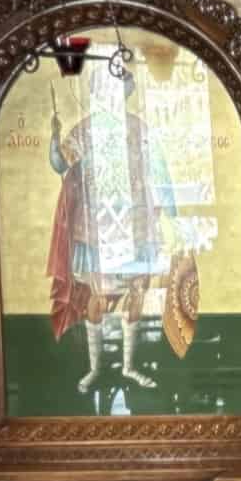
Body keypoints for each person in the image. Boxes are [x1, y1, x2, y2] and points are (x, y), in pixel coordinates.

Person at [46, 61, 180, 391]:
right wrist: (54, 138)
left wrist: (173, 215)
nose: (112, 95)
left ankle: (129, 367)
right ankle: (95, 369)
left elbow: (160, 169)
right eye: (105, 89)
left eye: (118, 89)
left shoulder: (138, 128)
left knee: (136, 293)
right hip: (97, 231)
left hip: (136, 227)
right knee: (96, 298)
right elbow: (60, 163)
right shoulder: (85, 129)